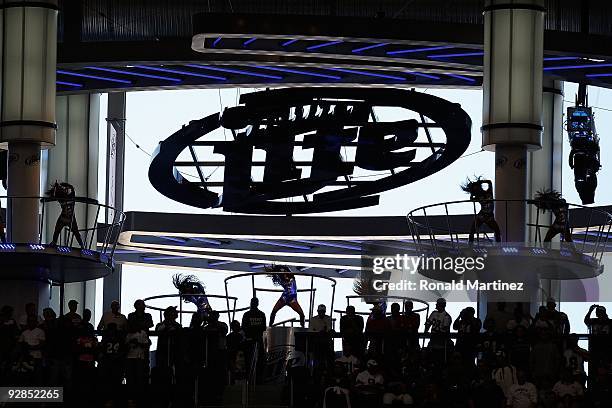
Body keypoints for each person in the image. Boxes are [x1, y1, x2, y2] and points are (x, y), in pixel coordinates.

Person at [461, 177, 501, 242]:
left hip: (489, 217)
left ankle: (498, 245)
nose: (478, 190)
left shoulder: (489, 191)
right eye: (476, 189)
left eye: (478, 188)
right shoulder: (478, 196)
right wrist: (472, 192)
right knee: (472, 230)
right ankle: (470, 244)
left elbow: (489, 182)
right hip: (481, 216)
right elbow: (471, 199)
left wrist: (480, 182)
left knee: (497, 231)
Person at [46, 181, 84, 247]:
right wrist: (57, 187)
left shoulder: (71, 196)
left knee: (76, 233)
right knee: (57, 230)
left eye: (66, 190)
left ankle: (82, 246)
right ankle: (54, 242)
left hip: (69, 219)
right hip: (65, 218)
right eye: (64, 190)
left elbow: (72, 188)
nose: (65, 191)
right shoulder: (61, 198)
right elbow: (54, 195)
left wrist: (65, 185)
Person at [424, 298, 452, 365]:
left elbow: (445, 331)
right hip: (433, 342)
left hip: (441, 344)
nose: (436, 305)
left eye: (438, 304)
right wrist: (426, 330)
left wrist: (428, 330)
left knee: (439, 362)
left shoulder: (446, 317)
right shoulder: (434, 313)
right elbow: (428, 324)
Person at [18, 315, 46, 384]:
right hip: (26, 357)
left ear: (36, 322)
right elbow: (20, 343)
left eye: (33, 321)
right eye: (29, 321)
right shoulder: (24, 332)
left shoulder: (40, 331)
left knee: (37, 376)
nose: (31, 323)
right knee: (26, 376)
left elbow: (42, 344)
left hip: (37, 356)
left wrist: (30, 347)